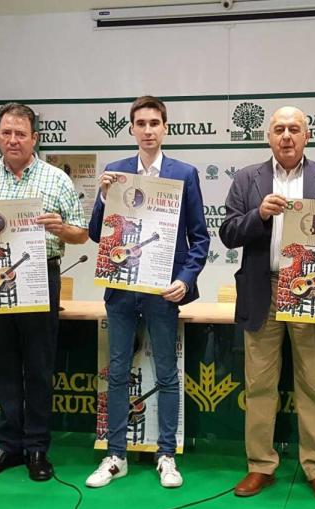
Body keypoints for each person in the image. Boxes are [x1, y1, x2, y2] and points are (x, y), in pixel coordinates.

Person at [220, 106, 315, 503]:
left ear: (307, 136)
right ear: (268, 137)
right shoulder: (246, 179)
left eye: (294, 129)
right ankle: (260, 466)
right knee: (259, 385)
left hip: (312, 294)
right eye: (279, 129)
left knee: (314, 383)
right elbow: (228, 234)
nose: (286, 136)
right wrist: (259, 215)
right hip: (262, 290)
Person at [0, 103, 87, 482]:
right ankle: (8, 445)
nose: (13, 140)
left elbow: (81, 234)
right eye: (6, 132)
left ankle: (37, 448)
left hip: (40, 276)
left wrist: (61, 228)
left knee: (39, 366)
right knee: (3, 364)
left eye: (21, 133)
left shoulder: (55, 179)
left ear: (35, 139)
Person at [85, 96, 209, 489]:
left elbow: (200, 238)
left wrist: (186, 279)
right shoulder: (115, 172)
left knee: (168, 374)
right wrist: (104, 197)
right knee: (118, 372)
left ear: (166, 127)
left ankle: (167, 455)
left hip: (162, 291)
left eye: (155, 122)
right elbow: (94, 233)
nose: (148, 129)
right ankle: (116, 455)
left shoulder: (184, 173)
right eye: (141, 123)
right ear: (132, 129)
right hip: (121, 290)